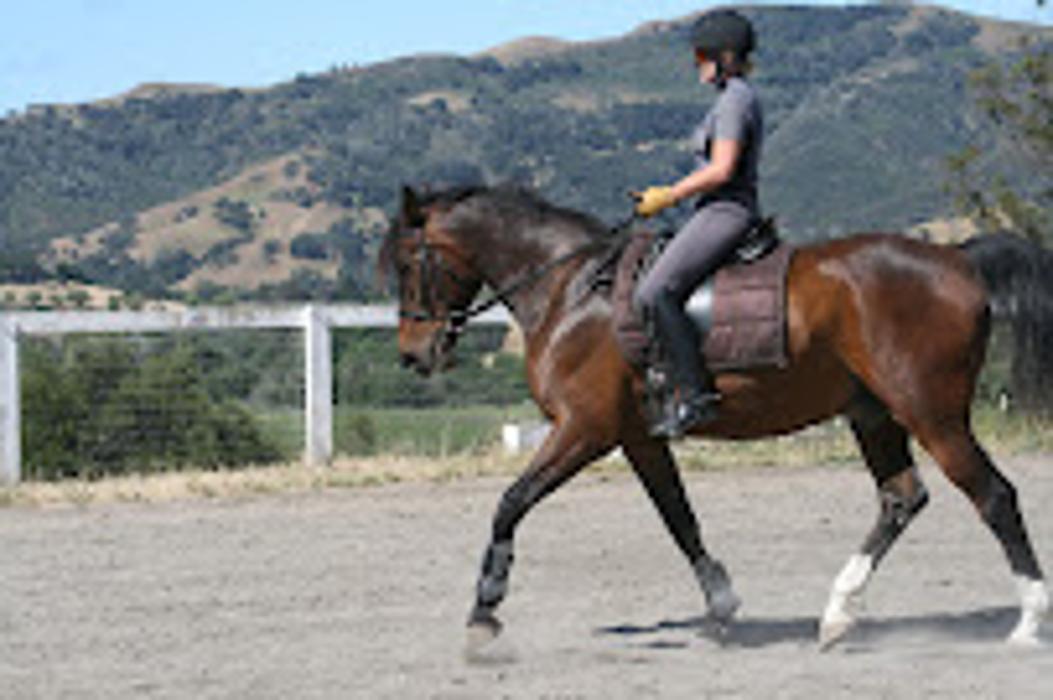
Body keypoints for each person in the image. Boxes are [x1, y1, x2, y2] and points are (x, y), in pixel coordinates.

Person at [632, 8, 763, 439]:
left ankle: (695, 394)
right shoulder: (730, 100)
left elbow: (722, 168)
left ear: (725, 57)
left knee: (654, 291)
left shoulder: (735, 101)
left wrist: (669, 195)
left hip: (726, 210)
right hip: (709, 210)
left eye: (702, 57)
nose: (697, 65)